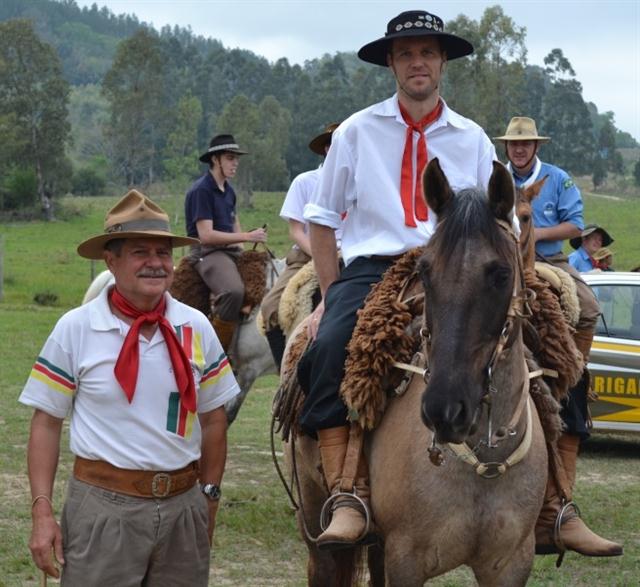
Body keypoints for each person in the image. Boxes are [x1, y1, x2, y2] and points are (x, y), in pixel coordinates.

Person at [297, 9, 497, 549]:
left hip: (456, 267)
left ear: (443, 63)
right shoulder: (357, 131)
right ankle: (345, 490)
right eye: (406, 53)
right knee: (333, 343)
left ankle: (555, 499)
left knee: (555, 329)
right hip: (375, 268)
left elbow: (499, 223)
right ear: (391, 63)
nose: (418, 63)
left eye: (428, 52)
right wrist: (330, 295)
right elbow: (322, 219)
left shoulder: (473, 138)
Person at [20, 190, 240, 585]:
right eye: (141, 252)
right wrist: (42, 512)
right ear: (111, 260)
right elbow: (47, 422)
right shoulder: (77, 327)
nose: (156, 263)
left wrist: (208, 497)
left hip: (183, 507)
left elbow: (213, 420)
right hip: (104, 508)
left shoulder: (196, 326)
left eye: (163, 253)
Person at [495, 117, 622, 557]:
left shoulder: (560, 179)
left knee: (586, 304)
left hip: (547, 259)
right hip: (502, 259)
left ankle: (572, 367)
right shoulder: (494, 176)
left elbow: (575, 228)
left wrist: (529, 230)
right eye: (513, 144)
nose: (519, 149)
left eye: (525, 143)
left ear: (534, 145)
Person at [261, 122, 340, 370]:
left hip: (349, 254)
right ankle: (285, 375)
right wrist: (322, 254)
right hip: (307, 255)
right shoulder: (305, 182)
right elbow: (296, 230)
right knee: (270, 307)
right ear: (327, 149)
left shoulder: (360, 180)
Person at [185, 133, 268, 352]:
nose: (235, 163)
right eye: (230, 158)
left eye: (236, 158)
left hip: (229, 251)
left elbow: (234, 223)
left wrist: (244, 252)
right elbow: (206, 235)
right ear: (215, 160)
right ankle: (215, 352)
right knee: (233, 291)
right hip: (206, 253)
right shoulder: (201, 190)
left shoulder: (229, 191)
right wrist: (247, 237)